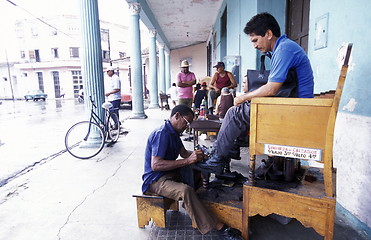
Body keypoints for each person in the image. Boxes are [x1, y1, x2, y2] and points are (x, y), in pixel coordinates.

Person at [195, 12, 314, 174]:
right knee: (241, 110)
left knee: (234, 113)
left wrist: (243, 97)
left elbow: (272, 88)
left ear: (269, 34)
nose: (255, 46)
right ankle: (228, 150)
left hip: (295, 107)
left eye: (255, 40)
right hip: (294, 104)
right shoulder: (283, 48)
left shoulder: (284, 49)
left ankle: (217, 158)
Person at [141, 104, 243, 239]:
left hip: (168, 174)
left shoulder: (174, 133)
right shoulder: (162, 134)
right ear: (177, 116)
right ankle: (220, 228)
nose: (187, 126)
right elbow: (156, 165)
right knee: (185, 191)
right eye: (187, 122)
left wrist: (199, 155)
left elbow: (184, 153)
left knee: (195, 170)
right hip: (155, 180)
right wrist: (188, 161)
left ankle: (196, 205)